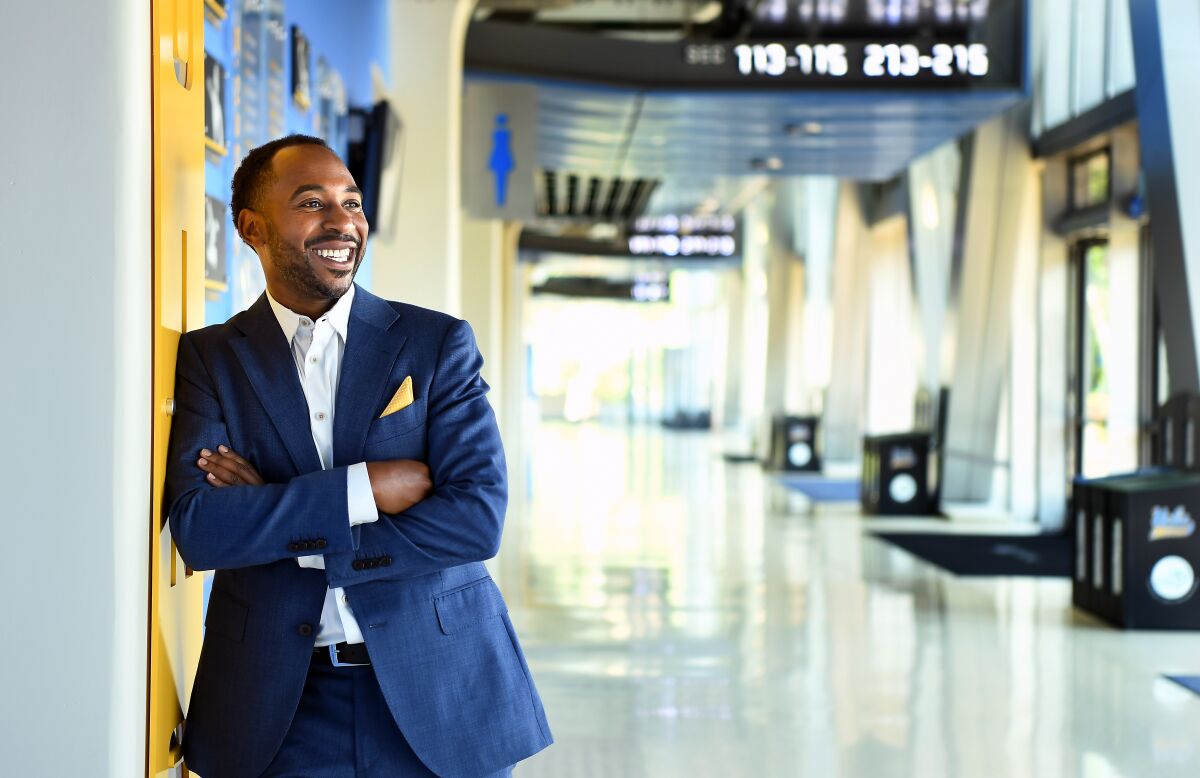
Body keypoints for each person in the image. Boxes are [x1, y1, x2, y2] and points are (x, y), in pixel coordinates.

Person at [164, 134, 551, 777]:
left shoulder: (434, 344)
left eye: (352, 202)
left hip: (441, 692)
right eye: (312, 203)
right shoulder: (212, 359)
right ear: (252, 228)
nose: (342, 222)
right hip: (277, 711)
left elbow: (476, 519)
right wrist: (363, 490)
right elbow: (203, 531)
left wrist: (284, 521)